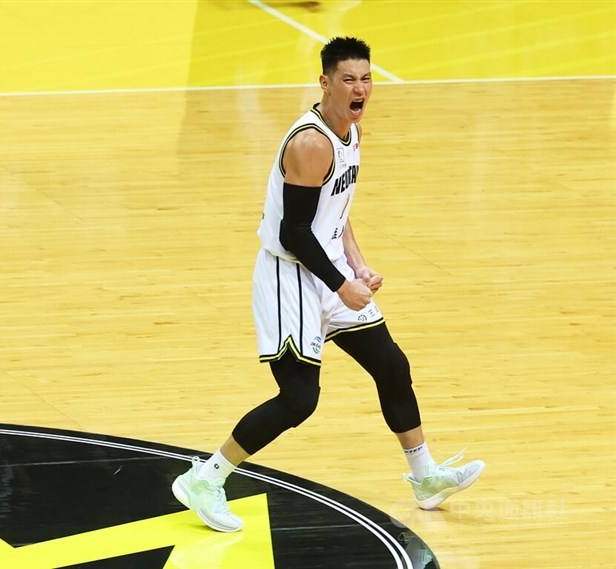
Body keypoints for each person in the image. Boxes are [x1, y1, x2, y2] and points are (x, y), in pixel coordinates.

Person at [172, 37, 484, 533]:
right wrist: (342, 285)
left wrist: (358, 265)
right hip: (290, 274)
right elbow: (293, 232)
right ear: (325, 83)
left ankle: (425, 477)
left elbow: (336, 210)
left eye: (366, 79)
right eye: (348, 79)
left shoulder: (351, 132)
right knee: (299, 398)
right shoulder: (311, 143)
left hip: (331, 268)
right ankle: (205, 479)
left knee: (391, 365)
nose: (360, 89)